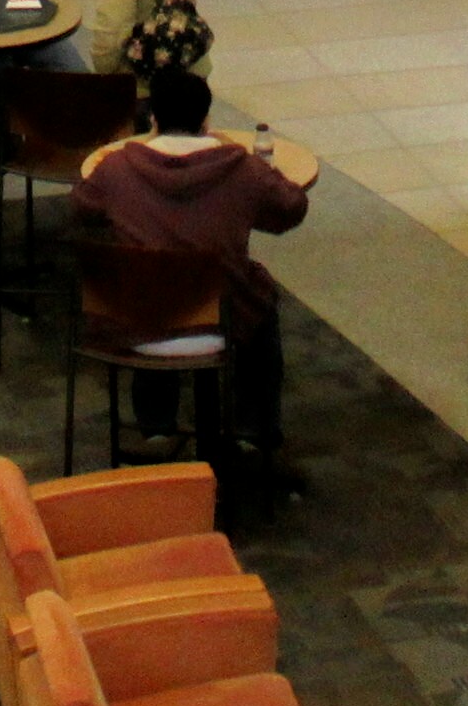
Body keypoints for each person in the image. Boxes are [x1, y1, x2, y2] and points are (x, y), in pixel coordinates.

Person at [73, 68, 315, 477]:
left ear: (153, 121)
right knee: (258, 291)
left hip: (137, 325)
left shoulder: (116, 169)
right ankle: (253, 430)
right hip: (219, 326)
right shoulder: (240, 169)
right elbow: (291, 209)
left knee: (149, 279)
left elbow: (82, 208)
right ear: (206, 121)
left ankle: (154, 426)